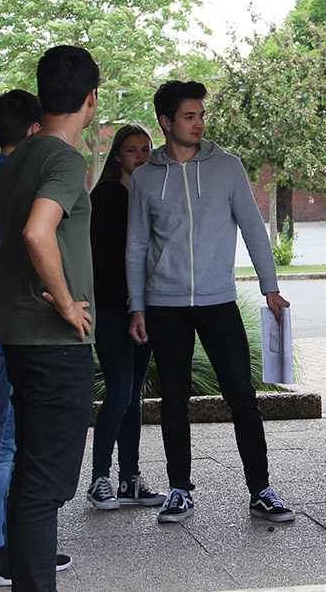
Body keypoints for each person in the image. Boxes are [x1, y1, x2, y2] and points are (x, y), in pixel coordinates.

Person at [0, 45, 100, 592]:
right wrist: (64, 301)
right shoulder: (65, 159)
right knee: (47, 483)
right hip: (54, 342)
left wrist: (13, 283)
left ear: (43, 97)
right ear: (92, 98)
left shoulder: (19, 155)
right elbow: (37, 231)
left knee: (30, 474)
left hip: (20, 337)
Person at [126, 80, 296, 525]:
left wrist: (269, 285)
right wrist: (137, 306)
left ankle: (261, 489)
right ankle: (179, 490)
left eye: (201, 114)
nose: (199, 122)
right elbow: (136, 245)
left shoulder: (228, 167)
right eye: (189, 116)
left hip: (219, 301)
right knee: (174, 400)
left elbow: (254, 229)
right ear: (166, 123)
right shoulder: (145, 178)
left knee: (242, 395)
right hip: (164, 306)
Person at [85, 124, 167, 510]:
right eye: (132, 149)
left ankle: (129, 478)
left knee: (134, 394)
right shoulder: (107, 196)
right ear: (116, 155)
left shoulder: (147, 195)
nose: (141, 156)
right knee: (119, 390)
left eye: (146, 149)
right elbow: (102, 257)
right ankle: (99, 477)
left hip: (146, 305)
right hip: (114, 305)